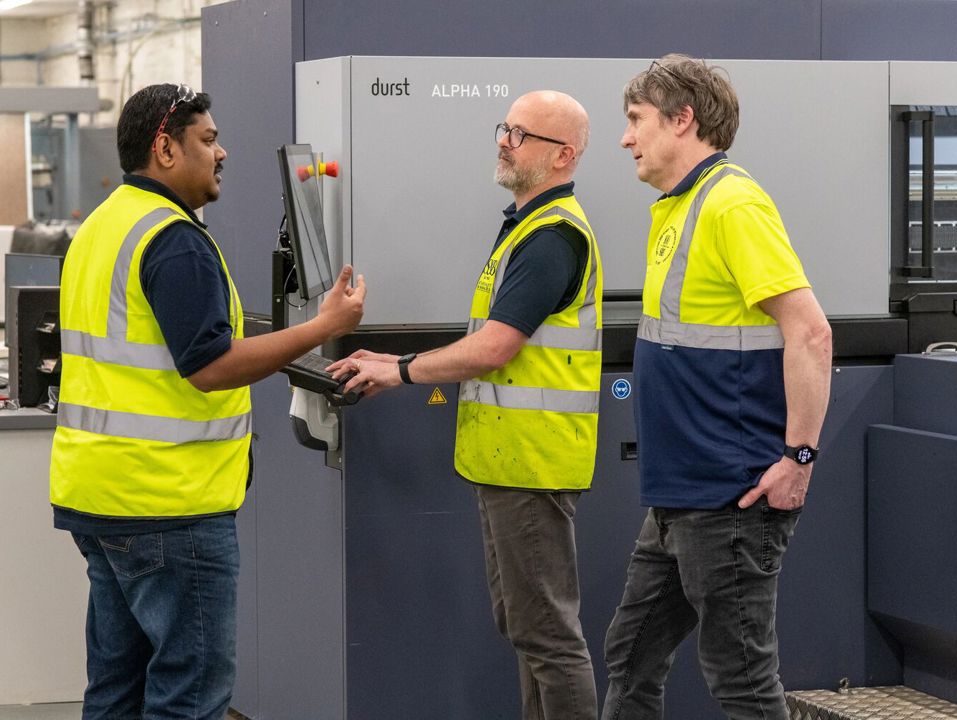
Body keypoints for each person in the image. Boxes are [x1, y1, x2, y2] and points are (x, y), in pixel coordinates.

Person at [49, 83, 365, 720]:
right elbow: (210, 368)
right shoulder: (174, 240)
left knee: (116, 691)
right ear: (166, 149)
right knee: (188, 699)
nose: (223, 153)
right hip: (170, 507)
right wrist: (320, 326)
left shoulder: (102, 225)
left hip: (99, 495)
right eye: (209, 140)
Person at [328, 90, 602, 720]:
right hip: (507, 463)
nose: (504, 140)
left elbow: (494, 349)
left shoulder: (552, 238)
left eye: (521, 133)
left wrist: (398, 369)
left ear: (562, 156)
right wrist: (389, 362)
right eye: (505, 127)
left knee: (549, 638)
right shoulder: (525, 228)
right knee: (527, 628)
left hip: (531, 464)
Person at [601, 55, 833, 720]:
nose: (626, 138)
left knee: (740, 679)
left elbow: (811, 334)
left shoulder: (733, 203)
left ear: (683, 120)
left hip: (733, 494)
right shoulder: (678, 207)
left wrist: (800, 458)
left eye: (636, 121)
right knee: (632, 652)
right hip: (680, 494)